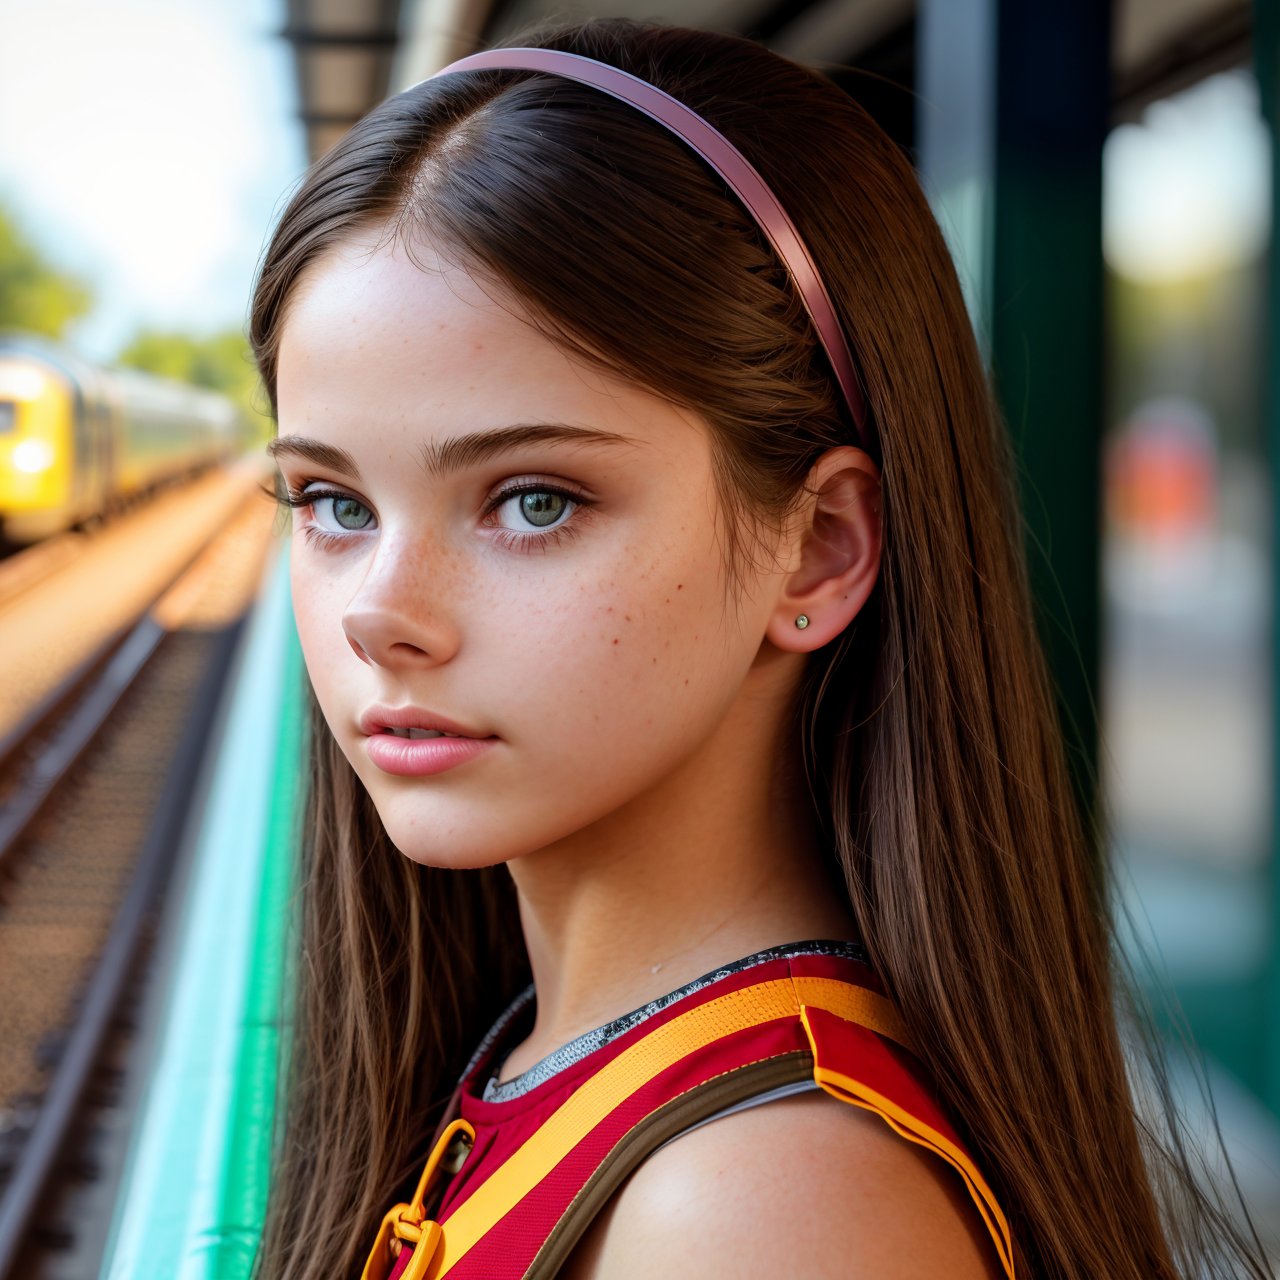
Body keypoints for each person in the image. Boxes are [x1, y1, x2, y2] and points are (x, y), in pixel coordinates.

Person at [247, 17, 1269, 1280]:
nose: (379, 610)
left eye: (533, 500)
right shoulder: (568, 1060)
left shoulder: (761, 1212)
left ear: (817, 550)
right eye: (332, 503)